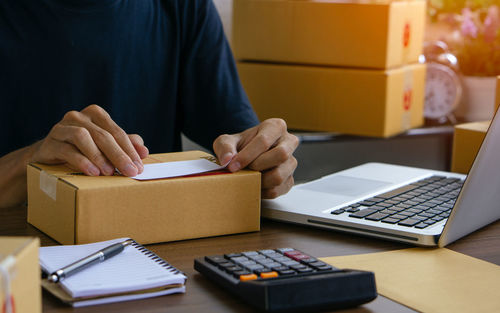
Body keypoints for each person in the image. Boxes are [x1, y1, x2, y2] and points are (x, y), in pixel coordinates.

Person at [0, 0, 298, 209]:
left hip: (159, 251)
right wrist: (31, 163)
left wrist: (266, 157)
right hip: (19, 262)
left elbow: (242, 144)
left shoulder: (182, 7)